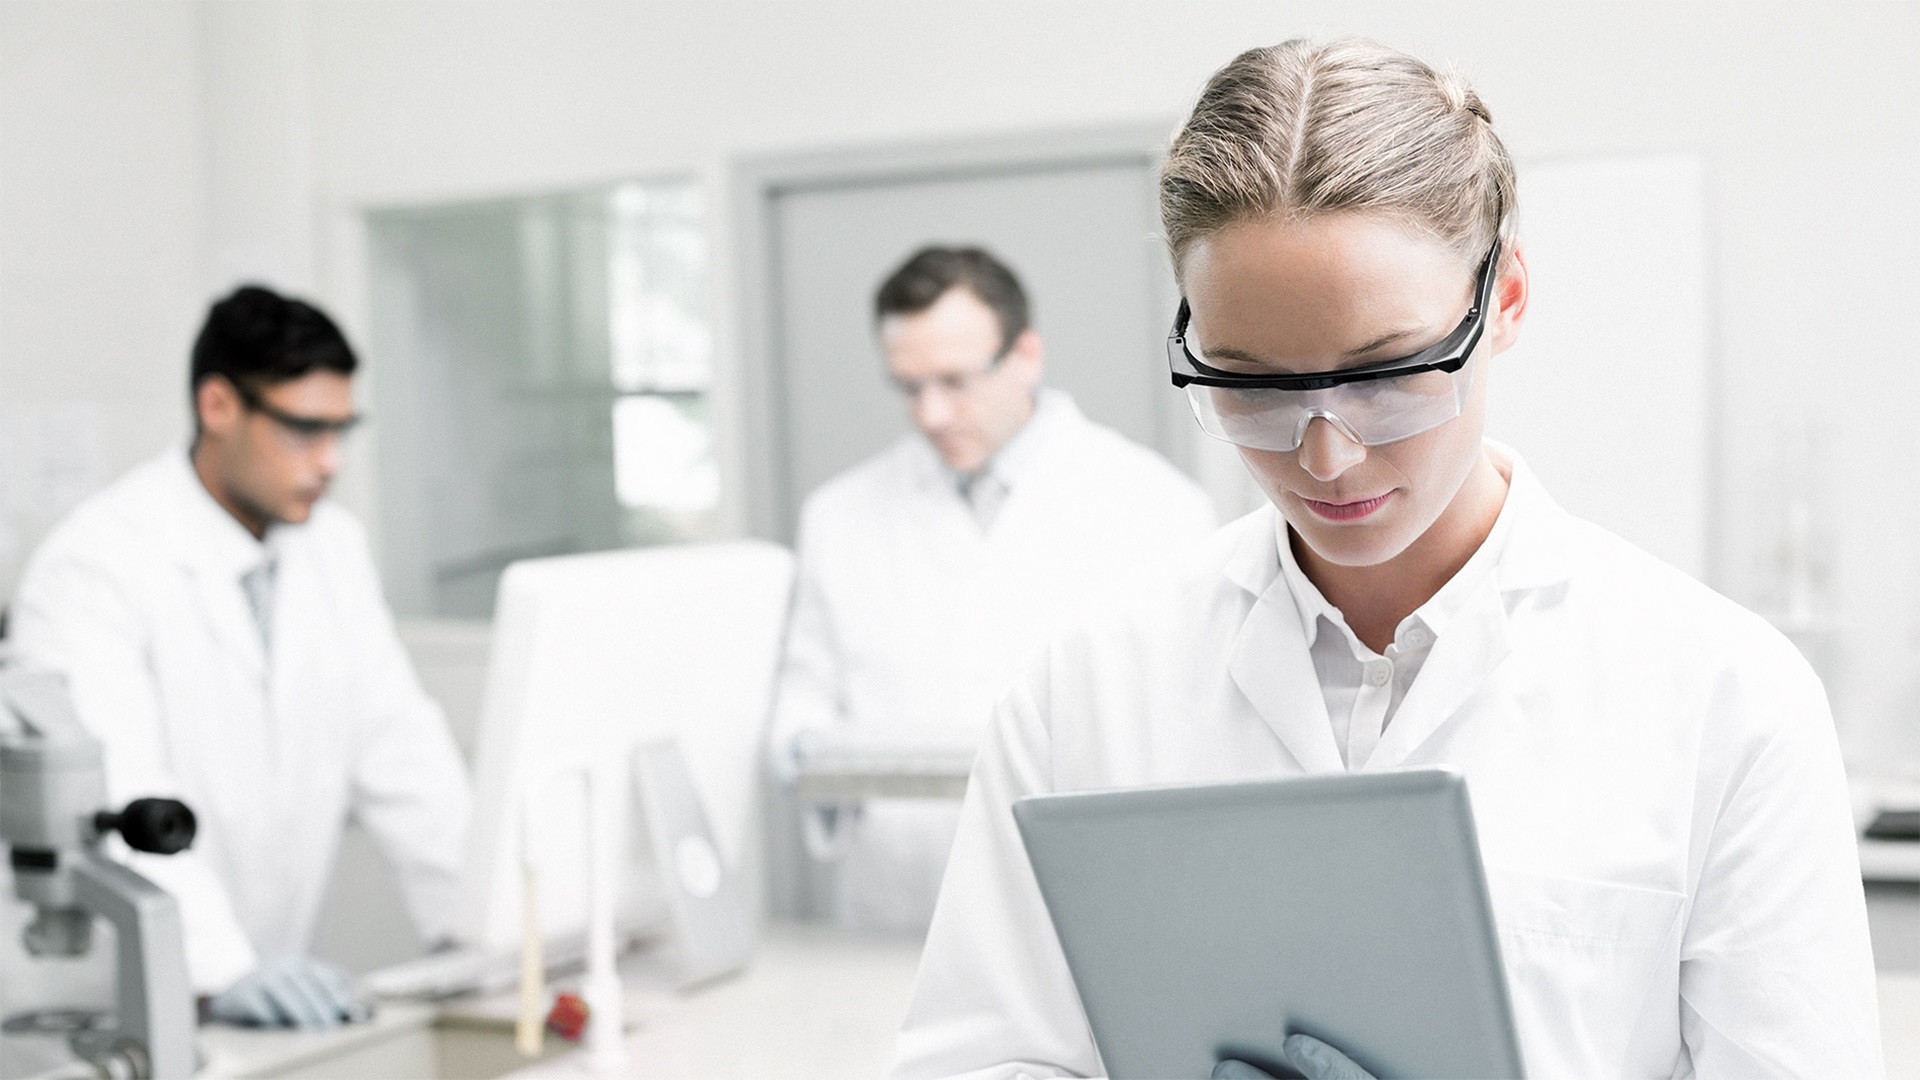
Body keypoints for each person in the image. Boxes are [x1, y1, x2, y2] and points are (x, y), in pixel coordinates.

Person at [893, 39, 1882, 1080]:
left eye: (1386, 374)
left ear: (1503, 300)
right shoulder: (1084, 688)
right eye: (1251, 385)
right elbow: (977, 1059)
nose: (1327, 456)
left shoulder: (1727, 698)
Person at [8, 285, 472, 1028]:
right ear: (218, 406)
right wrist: (220, 966)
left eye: (341, 430)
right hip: (104, 1006)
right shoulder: (95, 566)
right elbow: (121, 798)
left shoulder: (333, 548)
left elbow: (403, 755)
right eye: (304, 430)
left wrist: (486, 928)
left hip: (256, 999)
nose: (330, 461)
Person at [769, 246, 1217, 931]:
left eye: (954, 381)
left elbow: (1190, 726)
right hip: (897, 904)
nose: (931, 414)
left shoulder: (1156, 508)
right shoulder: (839, 516)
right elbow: (803, 699)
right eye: (909, 388)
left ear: (1026, 355)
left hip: (1080, 910)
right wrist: (810, 750)